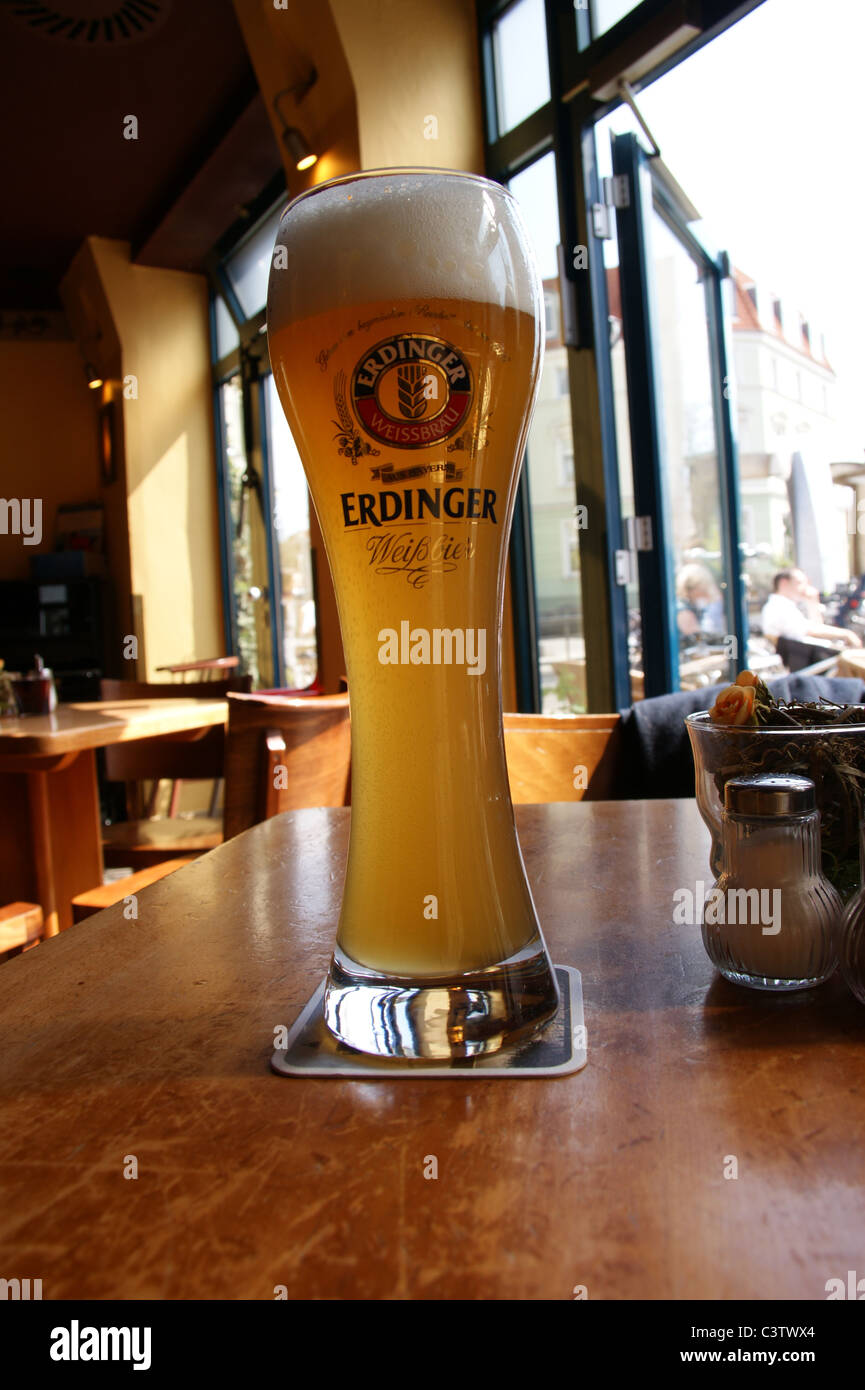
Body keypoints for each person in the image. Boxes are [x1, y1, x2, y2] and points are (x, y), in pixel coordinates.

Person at [760, 568, 862, 648]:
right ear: (783, 583)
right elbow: (811, 631)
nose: (804, 587)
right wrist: (846, 634)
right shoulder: (779, 606)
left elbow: (816, 627)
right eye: (800, 582)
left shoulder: (784, 605)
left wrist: (813, 602)